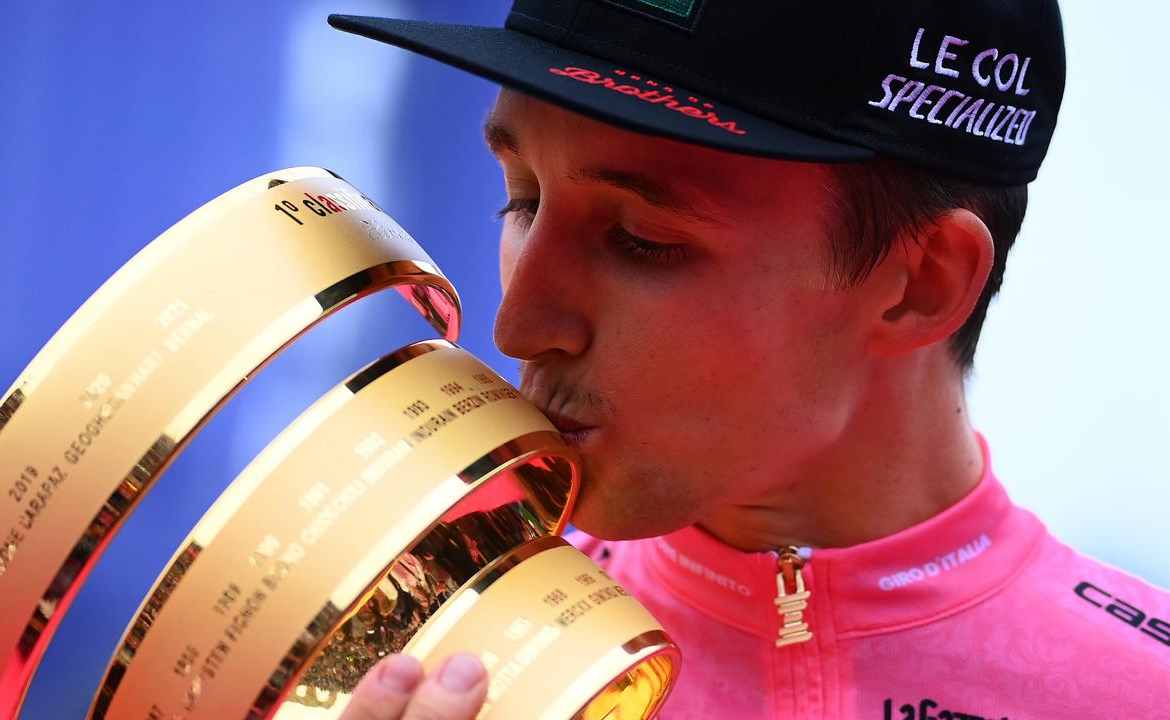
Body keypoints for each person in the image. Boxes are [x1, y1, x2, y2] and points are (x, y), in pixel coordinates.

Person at [325, 1, 1170, 718]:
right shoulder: (410, 656)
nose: (516, 324)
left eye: (640, 240)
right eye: (523, 198)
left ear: (921, 284)